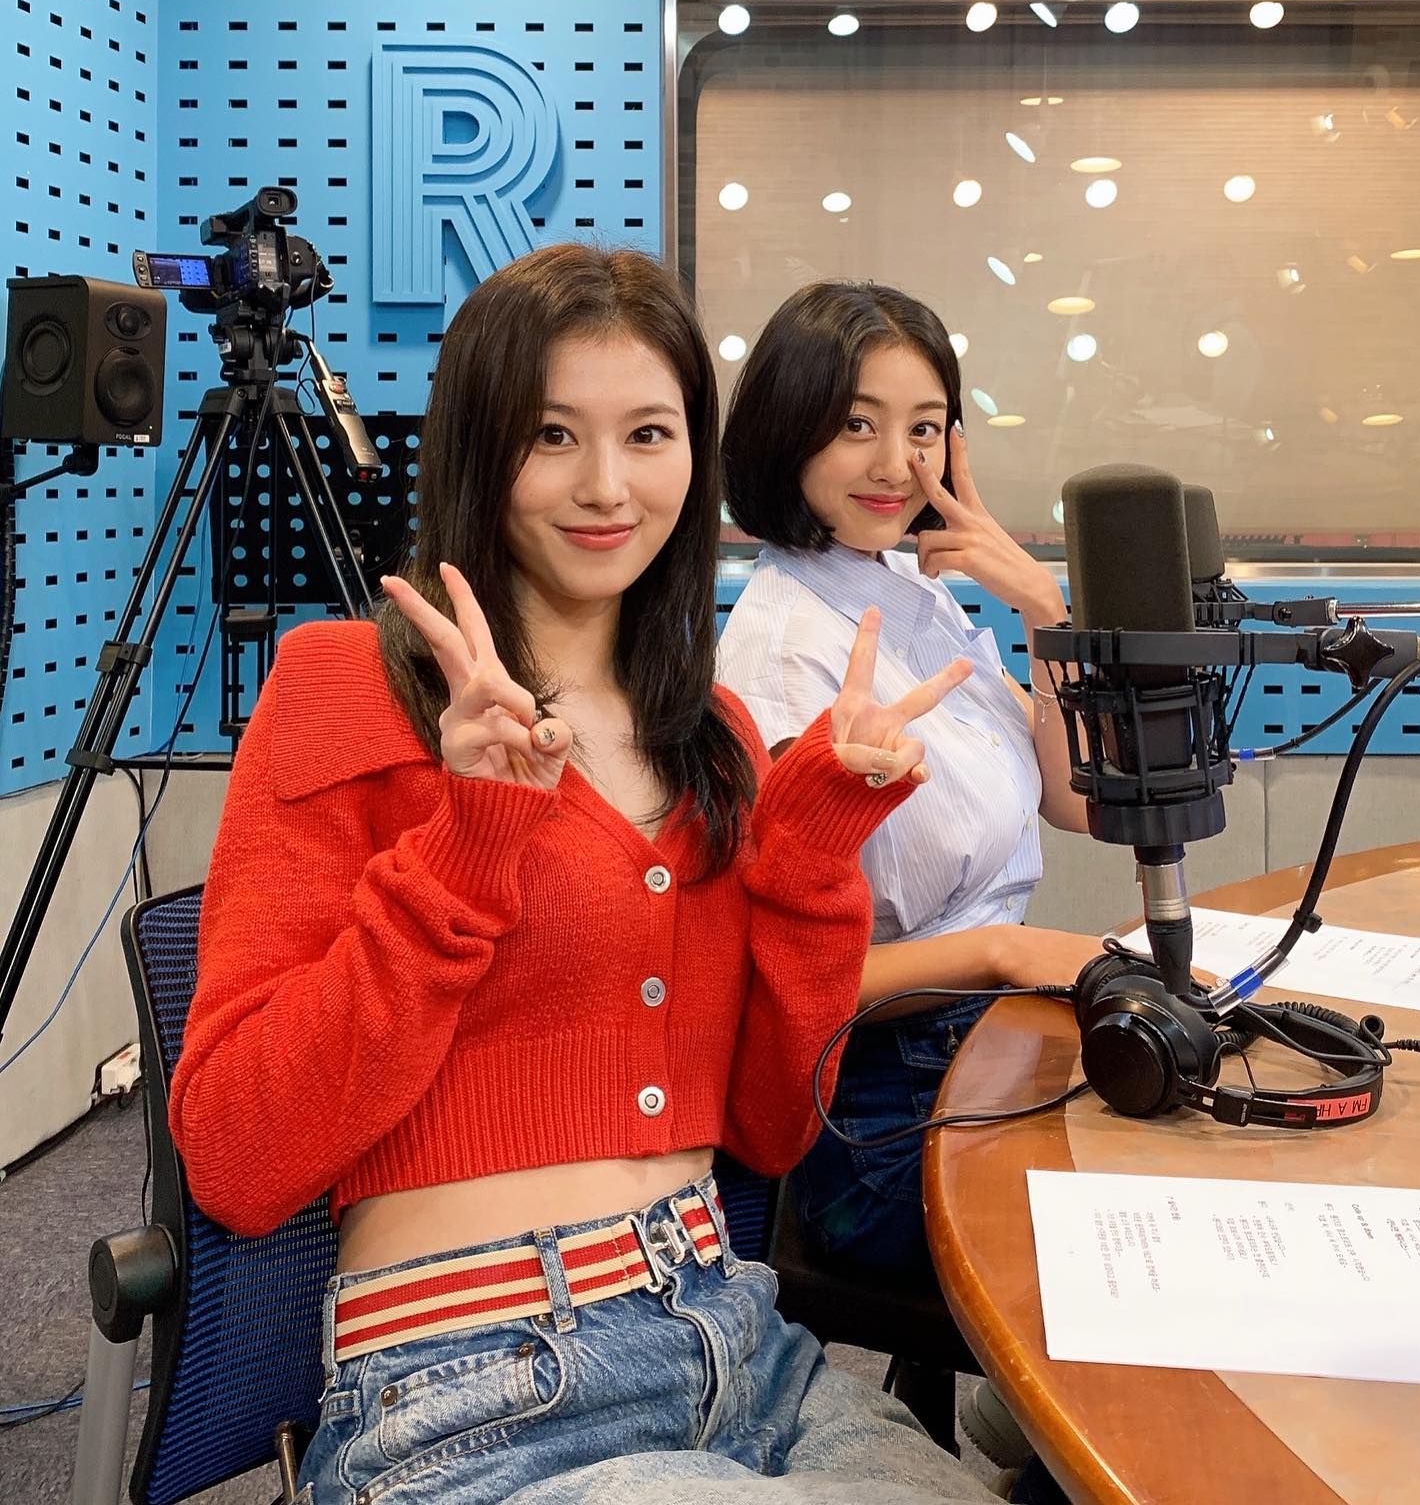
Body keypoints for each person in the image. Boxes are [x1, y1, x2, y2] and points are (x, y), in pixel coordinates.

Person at [168, 245, 997, 1504]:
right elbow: (238, 1154)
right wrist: (465, 850)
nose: (607, 486)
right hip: (475, 1388)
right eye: (552, 435)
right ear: (478, 447)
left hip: (744, 1347)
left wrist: (810, 857)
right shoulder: (345, 688)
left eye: (649, 435)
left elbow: (770, 1128)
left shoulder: (712, 735)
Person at [718, 279, 1104, 1285]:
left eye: (923, 429)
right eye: (858, 424)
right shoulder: (785, 658)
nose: (896, 464)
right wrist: (1004, 952)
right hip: (882, 1114)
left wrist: (1046, 614)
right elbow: (786, 982)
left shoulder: (908, 588)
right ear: (788, 428)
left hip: (991, 1042)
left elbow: (1076, 800)